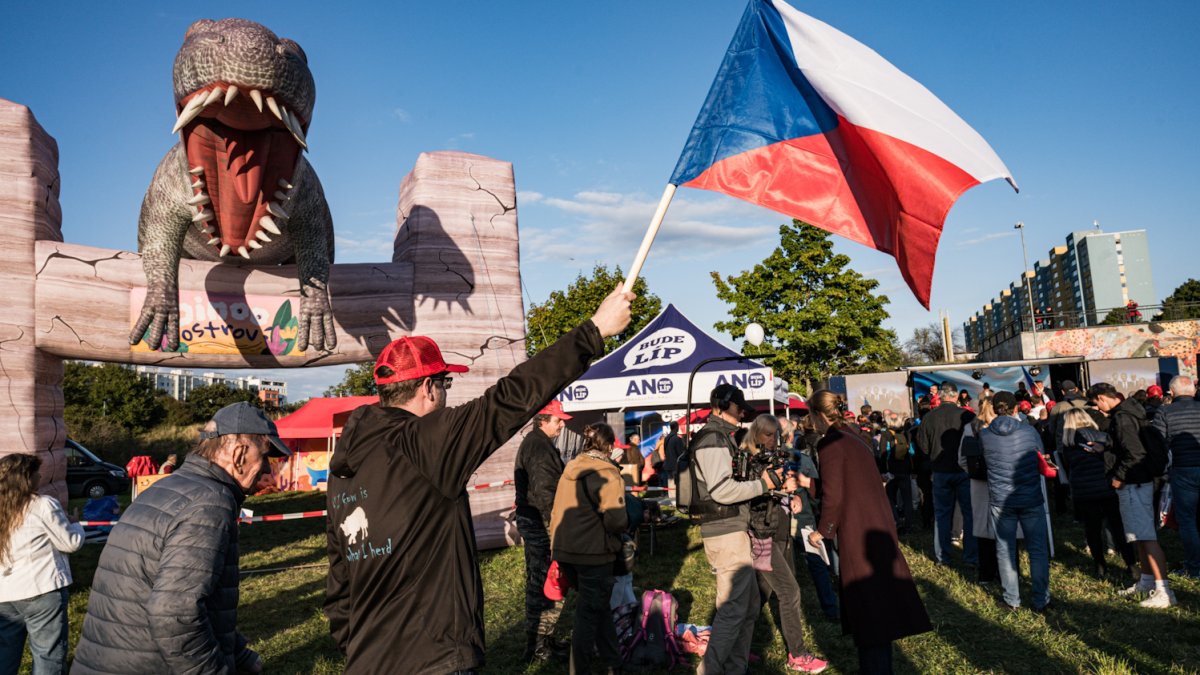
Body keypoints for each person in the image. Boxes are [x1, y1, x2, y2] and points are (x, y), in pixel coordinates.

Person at [323, 286, 633, 673]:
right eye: (445, 384)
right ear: (428, 387)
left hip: (367, 662)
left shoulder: (342, 470)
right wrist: (594, 332)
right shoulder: (423, 442)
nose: (445, 395)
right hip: (433, 659)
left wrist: (357, 644)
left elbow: (339, 583)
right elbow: (508, 399)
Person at [73, 402, 289, 674]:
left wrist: (239, 655)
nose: (268, 470)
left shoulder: (169, 487)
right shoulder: (209, 503)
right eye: (267, 456)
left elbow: (191, 600)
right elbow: (175, 614)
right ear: (239, 453)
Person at [806, 390, 931, 674]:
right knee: (878, 609)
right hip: (875, 525)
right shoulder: (853, 436)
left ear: (818, 414)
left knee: (869, 609)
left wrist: (822, 531)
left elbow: (835, 496)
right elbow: (843, 481)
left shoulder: (832, 443)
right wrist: (810, 483)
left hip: (858, 531)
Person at [687, 384, 784, 675]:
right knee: (732, 610)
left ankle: (735, 668)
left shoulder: (721, 437)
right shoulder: (713, 439)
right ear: (725, 405)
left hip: (731, 530)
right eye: (740, 409)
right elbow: (721, 491)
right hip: (725, 532)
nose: (742, 416)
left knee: (750, 605)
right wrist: (764, 485)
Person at [742, 415, 828, 673]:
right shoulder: (748, 459)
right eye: (767, 434)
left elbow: (774, 494)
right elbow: (748, 495)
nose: (772, 439)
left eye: (775, 434)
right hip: (761, 535)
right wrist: (778, 490)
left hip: (780, 530)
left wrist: (790, 498)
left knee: (760, 595)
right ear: (756, 433)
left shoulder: (775, 456)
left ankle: (736, 648)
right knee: (789, 592)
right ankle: (798, 654)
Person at [548, 423, 628, 675]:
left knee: (598, 607)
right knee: (587, 615)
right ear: (611, 445)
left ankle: (613, 662)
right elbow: (616, 520)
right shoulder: (607, 473)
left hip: (565, 551)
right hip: (593, 553)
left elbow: (556, 509)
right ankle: (578, 669)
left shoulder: (570, 468)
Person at [1089, 382, 1175, 608]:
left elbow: (1135, 453)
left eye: (1096, 404)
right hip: (1140, 482)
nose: (1098, 409)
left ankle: (1164, 590)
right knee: (1139, 536)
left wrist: (1119, 476)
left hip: (1134, 483)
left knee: (1146, 537)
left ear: (1101, 398)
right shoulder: (1132, 411)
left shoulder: (1122, 418)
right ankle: (1147, 581)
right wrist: (1105, 449)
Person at [0, 454, 84, 674]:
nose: (40, 476)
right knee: (48, 656)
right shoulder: (42, 505)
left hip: (5, 594)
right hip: (41, 591)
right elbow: (70, 543)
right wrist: (76, 524)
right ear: (26, 478)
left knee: (5, 656)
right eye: (36, 473)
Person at [978, 392, 1052, 611]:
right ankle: (1041, 599)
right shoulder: (1029, 430)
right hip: (1029, 495)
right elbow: (1041, 454)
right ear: (1015, 408)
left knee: (1004, 548)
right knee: (1037, 549)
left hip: (1001, 498)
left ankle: (1012, 599)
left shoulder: (984, 435)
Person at [513, 399, 573, 662]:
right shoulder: (538, 446)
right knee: (546, 582)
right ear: (543, 420)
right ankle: (538, 646)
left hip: (535, 519)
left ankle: (542, 640)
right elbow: (546, 490)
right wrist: (558, 527)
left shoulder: (538, 443)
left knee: (543, 582)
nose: (562, 424)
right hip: (541, 521)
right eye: (558, 420)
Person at [1060, 407, 1138, 579]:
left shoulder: (1068, 445)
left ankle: (1100, 566)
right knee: (1118, 528)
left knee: (1092, 530)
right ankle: (1131, 565)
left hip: (1084, 491)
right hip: (1107, 487)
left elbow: (1068, 466)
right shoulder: (1103, 437)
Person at [915, 381, 978, 568]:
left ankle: (943, 557)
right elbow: (976, 442)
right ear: (956, 396)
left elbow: (923, 446)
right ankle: (971, 557)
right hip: (963, 470)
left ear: (941, 397)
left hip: (940, 470)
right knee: (969, 514)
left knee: (942, 515)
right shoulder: (967, 415)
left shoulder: (929, 417)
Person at [790, 416, 840, 621]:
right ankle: (830, 607)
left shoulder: (798, 456)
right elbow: (819, 488)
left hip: (798, 516)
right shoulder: (802, 457)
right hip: (805, 516)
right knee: (816, 559)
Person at [1152, 375, 1200, 578]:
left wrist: (1163, 472)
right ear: (1194, 391)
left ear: (1171, 393)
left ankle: (1194, 567)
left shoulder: (1164, 411)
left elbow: (1157, 443)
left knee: (1187, 520)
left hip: (1182, 469)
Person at [957, 399, 1000, 585]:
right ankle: (1004, 572)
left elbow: (962, 459)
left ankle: (986, 574)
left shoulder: (970, 427)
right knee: (1003, 528)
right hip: (1001, 482)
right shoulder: (1001, 427)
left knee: (983, 530)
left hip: (978, 484)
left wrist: (973, 473)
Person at [878, 416, 915, 534]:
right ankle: (909, 524)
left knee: (890, 498)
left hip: (891, 471)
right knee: (907, 499)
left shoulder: (886, 435)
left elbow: (882, 454)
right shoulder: (907, 434)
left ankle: (896, 521)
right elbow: (912, 452)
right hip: (905, 470)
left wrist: (883, 471)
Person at [661, 421, 685, 489]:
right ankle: (675, 498)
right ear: (677, 427)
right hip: (675, 465)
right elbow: (681, 454)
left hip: (668, 464)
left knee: (670, 483)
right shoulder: (677, 439)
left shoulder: (666, 438)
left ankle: (671, 497)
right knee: (676, 484)